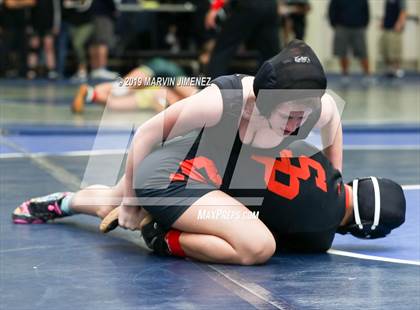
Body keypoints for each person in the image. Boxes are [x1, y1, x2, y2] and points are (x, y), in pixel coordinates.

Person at [14, 40, 365, 265]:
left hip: (220, 179)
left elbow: (333, 131)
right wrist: (132, 200)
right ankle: (64, 203)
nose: (297, 124)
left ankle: (161, 229)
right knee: (111, 204)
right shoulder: (223, 101)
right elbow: (147, 134)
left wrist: (335, 182)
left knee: (252, 240)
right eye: (289, 115)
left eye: (304, 114)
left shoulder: (318, 109)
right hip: (178, 166)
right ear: (261, 100)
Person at [71, 58, 198, 113]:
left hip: (159, 87)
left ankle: (89, 92)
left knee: (115, 101)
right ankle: (89, 92)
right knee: (120, 90)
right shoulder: (196, 100)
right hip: (164, 76)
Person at [205, 0, 280, 79]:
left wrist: (215, 7)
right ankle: (274, 85)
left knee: (223, 50)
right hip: (270, 5)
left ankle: (214, 86)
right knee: (269, 53)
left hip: (249, 5)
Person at [328, 0, 373, 84]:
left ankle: (367, 75)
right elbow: (331, 11)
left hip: (358, 28)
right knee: (342, 52)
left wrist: (364, 24)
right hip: (342, 27)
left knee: (363, 52)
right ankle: (345, 74)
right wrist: (335, 25)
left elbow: (366, 12)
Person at [380, 0, 407, 79]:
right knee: (386, 50)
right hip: (386, 27)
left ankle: (397, 70)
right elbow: (386, 11)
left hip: (395, 28)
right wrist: (382, 21)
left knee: (395, 50)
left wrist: (400, 23)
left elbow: (403, 11)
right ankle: (389, 69)